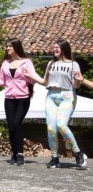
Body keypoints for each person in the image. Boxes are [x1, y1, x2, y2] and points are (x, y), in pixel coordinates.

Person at [22, 40, 87, 168]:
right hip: (51, 96)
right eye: (53, 47)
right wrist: (30, 75)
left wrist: (79, 80)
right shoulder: (51, 63)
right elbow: (45, 82)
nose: (54, 49)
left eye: (56, 47)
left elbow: (76, 85)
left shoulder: (74, 64)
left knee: (61, 124)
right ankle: (54, 158)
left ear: (63, 49)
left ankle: (78, 154)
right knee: (51, 128)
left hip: (67, 96)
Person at [0, 39, 37, 167]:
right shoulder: (5, 63)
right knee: (11, 126)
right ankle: (14, 153)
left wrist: (28, 75)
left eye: (10, 46)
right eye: (7, 46)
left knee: (17, 123)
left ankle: (21, 154)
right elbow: (2, 81)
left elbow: (33, 81)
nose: (7, 48)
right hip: (9, 98)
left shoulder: (26, 62)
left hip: (23, 98)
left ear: (17, 47)